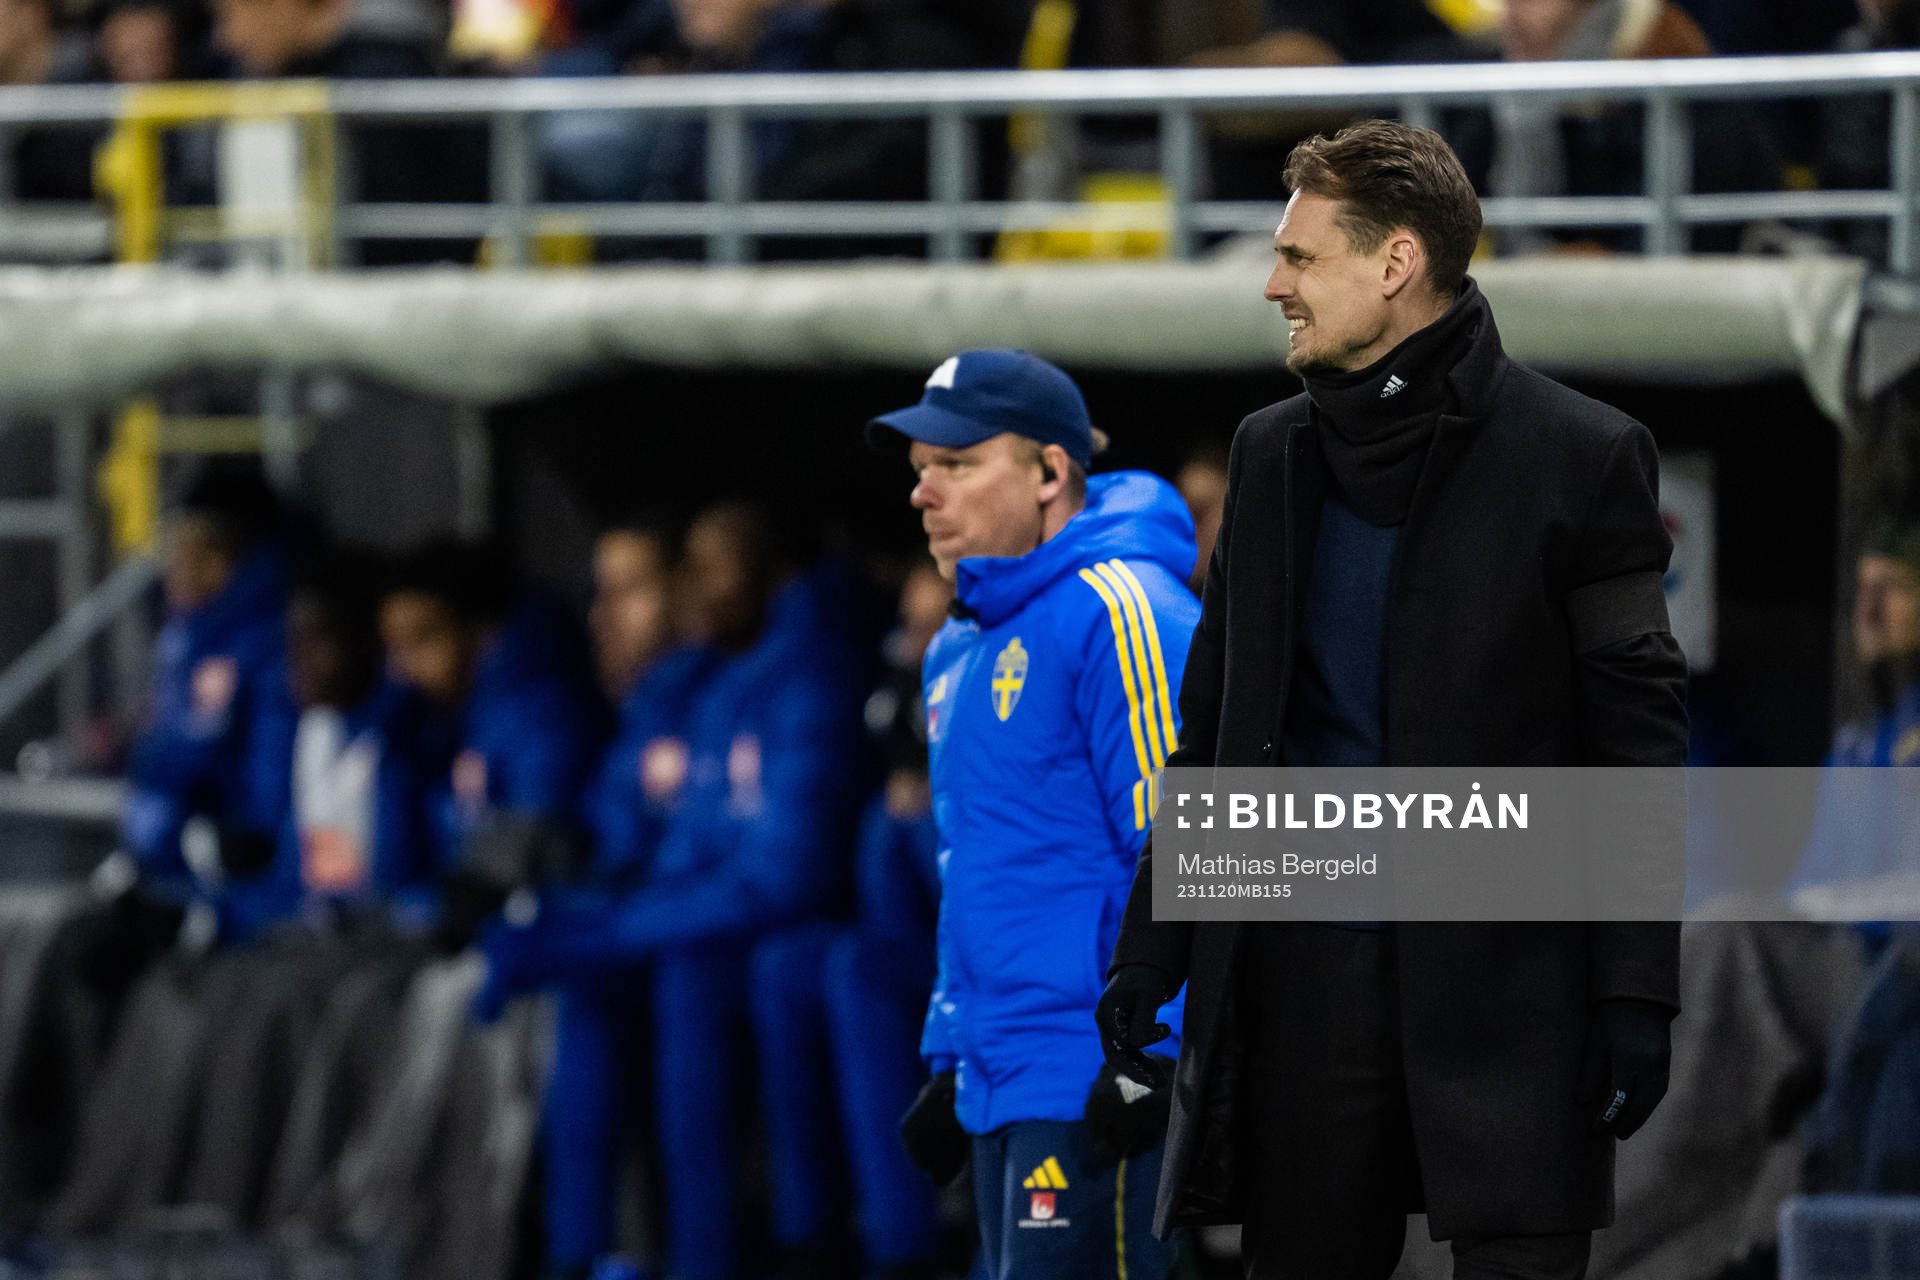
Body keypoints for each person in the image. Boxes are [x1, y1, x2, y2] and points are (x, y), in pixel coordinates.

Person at [1097, 120, 1688, 1280]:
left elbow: (1638, 744)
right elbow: (1219, 727)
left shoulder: (1584, 456)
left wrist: (1636, 986)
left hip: (1518, 991)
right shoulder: (1268, 458)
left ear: (1396, 263)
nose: (1272, 283)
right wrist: (1149, 955)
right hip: (1306, 986)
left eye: (1300, 257)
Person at [869, 350, 1200, 1280]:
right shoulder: (956, 650)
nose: (925, 495)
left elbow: (1186, 844)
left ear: (1052, 473)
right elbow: (972, 866)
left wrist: (1152, 1054)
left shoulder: (1122, 610)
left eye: (959, 465)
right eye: (920, 472)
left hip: (1095, 1076)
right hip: (995, 1077)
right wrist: (946, 1050)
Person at [477, 501, 870, 1280]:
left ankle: (733, 1252)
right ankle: (587, 1253)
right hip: (723, 920)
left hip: (819, 931)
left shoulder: (812, 676)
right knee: (600, 981)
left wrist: (1175, 938)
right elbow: (670, 845)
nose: (700, 586)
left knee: (704, 973)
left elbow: (789, 872)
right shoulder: (711, 686)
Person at [747, 561, 950, 1280]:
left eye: (937, 629)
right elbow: (890, 910)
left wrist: (934, 816)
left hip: (1067, 968)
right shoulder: (915, 739)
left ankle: (915, 1245)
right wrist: (909, 798)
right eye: (910, 630)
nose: (914, 652)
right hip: (968, 962)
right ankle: (843, 1241)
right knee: (813, 961)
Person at [377, 540, 603, 940]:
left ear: (484, 632)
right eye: (395, 648)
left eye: (422, 639)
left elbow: (532, 855)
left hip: (535, 941)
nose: (401, 669)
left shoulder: (543, 714)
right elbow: (397, 872)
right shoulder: (441, 723)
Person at [122, 463, 297, 915]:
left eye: (192, 552)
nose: (174, 569)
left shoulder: (270, 646)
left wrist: (245, 843)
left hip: (250, 884)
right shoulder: (188, 640)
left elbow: (272, 765)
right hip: (185, 869)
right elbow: (171, 755)